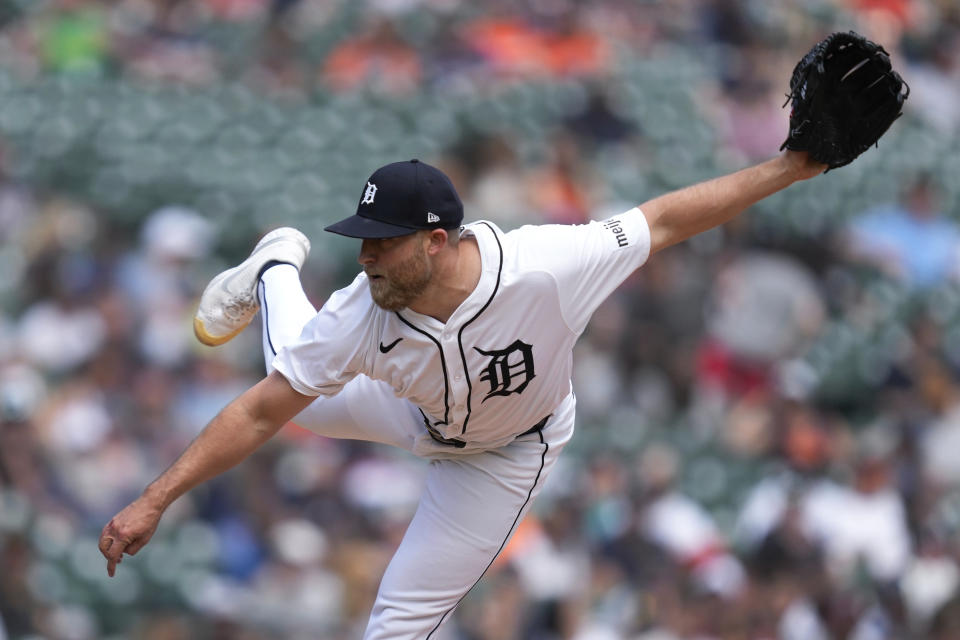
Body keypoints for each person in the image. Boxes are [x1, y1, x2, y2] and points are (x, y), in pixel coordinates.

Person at [99, 153, 825, 639]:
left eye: (384, 241)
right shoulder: (363, 308)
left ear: (439, 241)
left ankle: (276, 267)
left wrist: (791, 168)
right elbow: (260, 410)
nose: (366, 255)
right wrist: (156, 497)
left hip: (503, 454)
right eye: (363, 239)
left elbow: (664, 220)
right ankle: (277, 262)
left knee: (397, 625)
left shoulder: (544, 266)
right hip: (413, 407)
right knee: (298, 387)